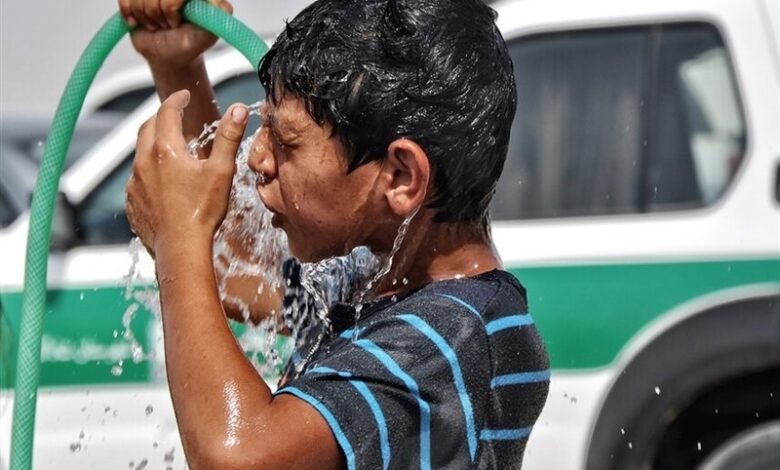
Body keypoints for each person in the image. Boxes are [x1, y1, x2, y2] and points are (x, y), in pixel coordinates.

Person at [121, 0, 550, 468]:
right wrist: (179, 68)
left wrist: (177, 237)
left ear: (401, 177)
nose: (256, 159)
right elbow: (232, 272)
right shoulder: (375, 278)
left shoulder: (453, 336)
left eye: (285, 142)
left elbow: (240, 456)